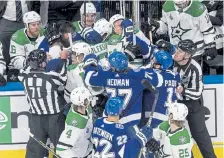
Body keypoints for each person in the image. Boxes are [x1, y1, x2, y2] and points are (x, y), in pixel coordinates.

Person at [84, 51, 163, 126]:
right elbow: (159, 81)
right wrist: (134, 68)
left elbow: (88, 79)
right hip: (132, 120)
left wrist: (91, 63)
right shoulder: (138, 75)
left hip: (110, 118)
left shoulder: (106, 75)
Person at [18, 49, 67, 158]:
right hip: (54, 118)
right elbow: (63, 78)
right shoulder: (51, 76)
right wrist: (63, 60)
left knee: (35, 149)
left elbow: (23, 70)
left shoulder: (24, 77)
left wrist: (33, 60)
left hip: (35, 119)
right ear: (43, 63)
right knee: (61, 147)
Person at [173, 39, 216, 158]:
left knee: (200, 135)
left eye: (180, 51)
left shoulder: (195, 67)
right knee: (176, 133)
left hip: (192, 104)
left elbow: (197, 92)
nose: (176, 52)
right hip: (175, 104)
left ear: (187, 55)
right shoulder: (170, 61)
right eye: (177, 48)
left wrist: (183, 91)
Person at [140, 50, 181, 129]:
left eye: (155, 61)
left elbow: (137, 73)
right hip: (170, 117)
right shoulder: (176, 75)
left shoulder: (155, 75)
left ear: (158, 65)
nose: (153, 62)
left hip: (154, 116)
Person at [56, 87, 93, 158]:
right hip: (79, 155)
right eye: (87, 98)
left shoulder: (86, 108)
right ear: (82, 102)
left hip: (87, 151)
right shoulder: (74, 126)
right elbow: (61, 150)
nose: (89, 100)